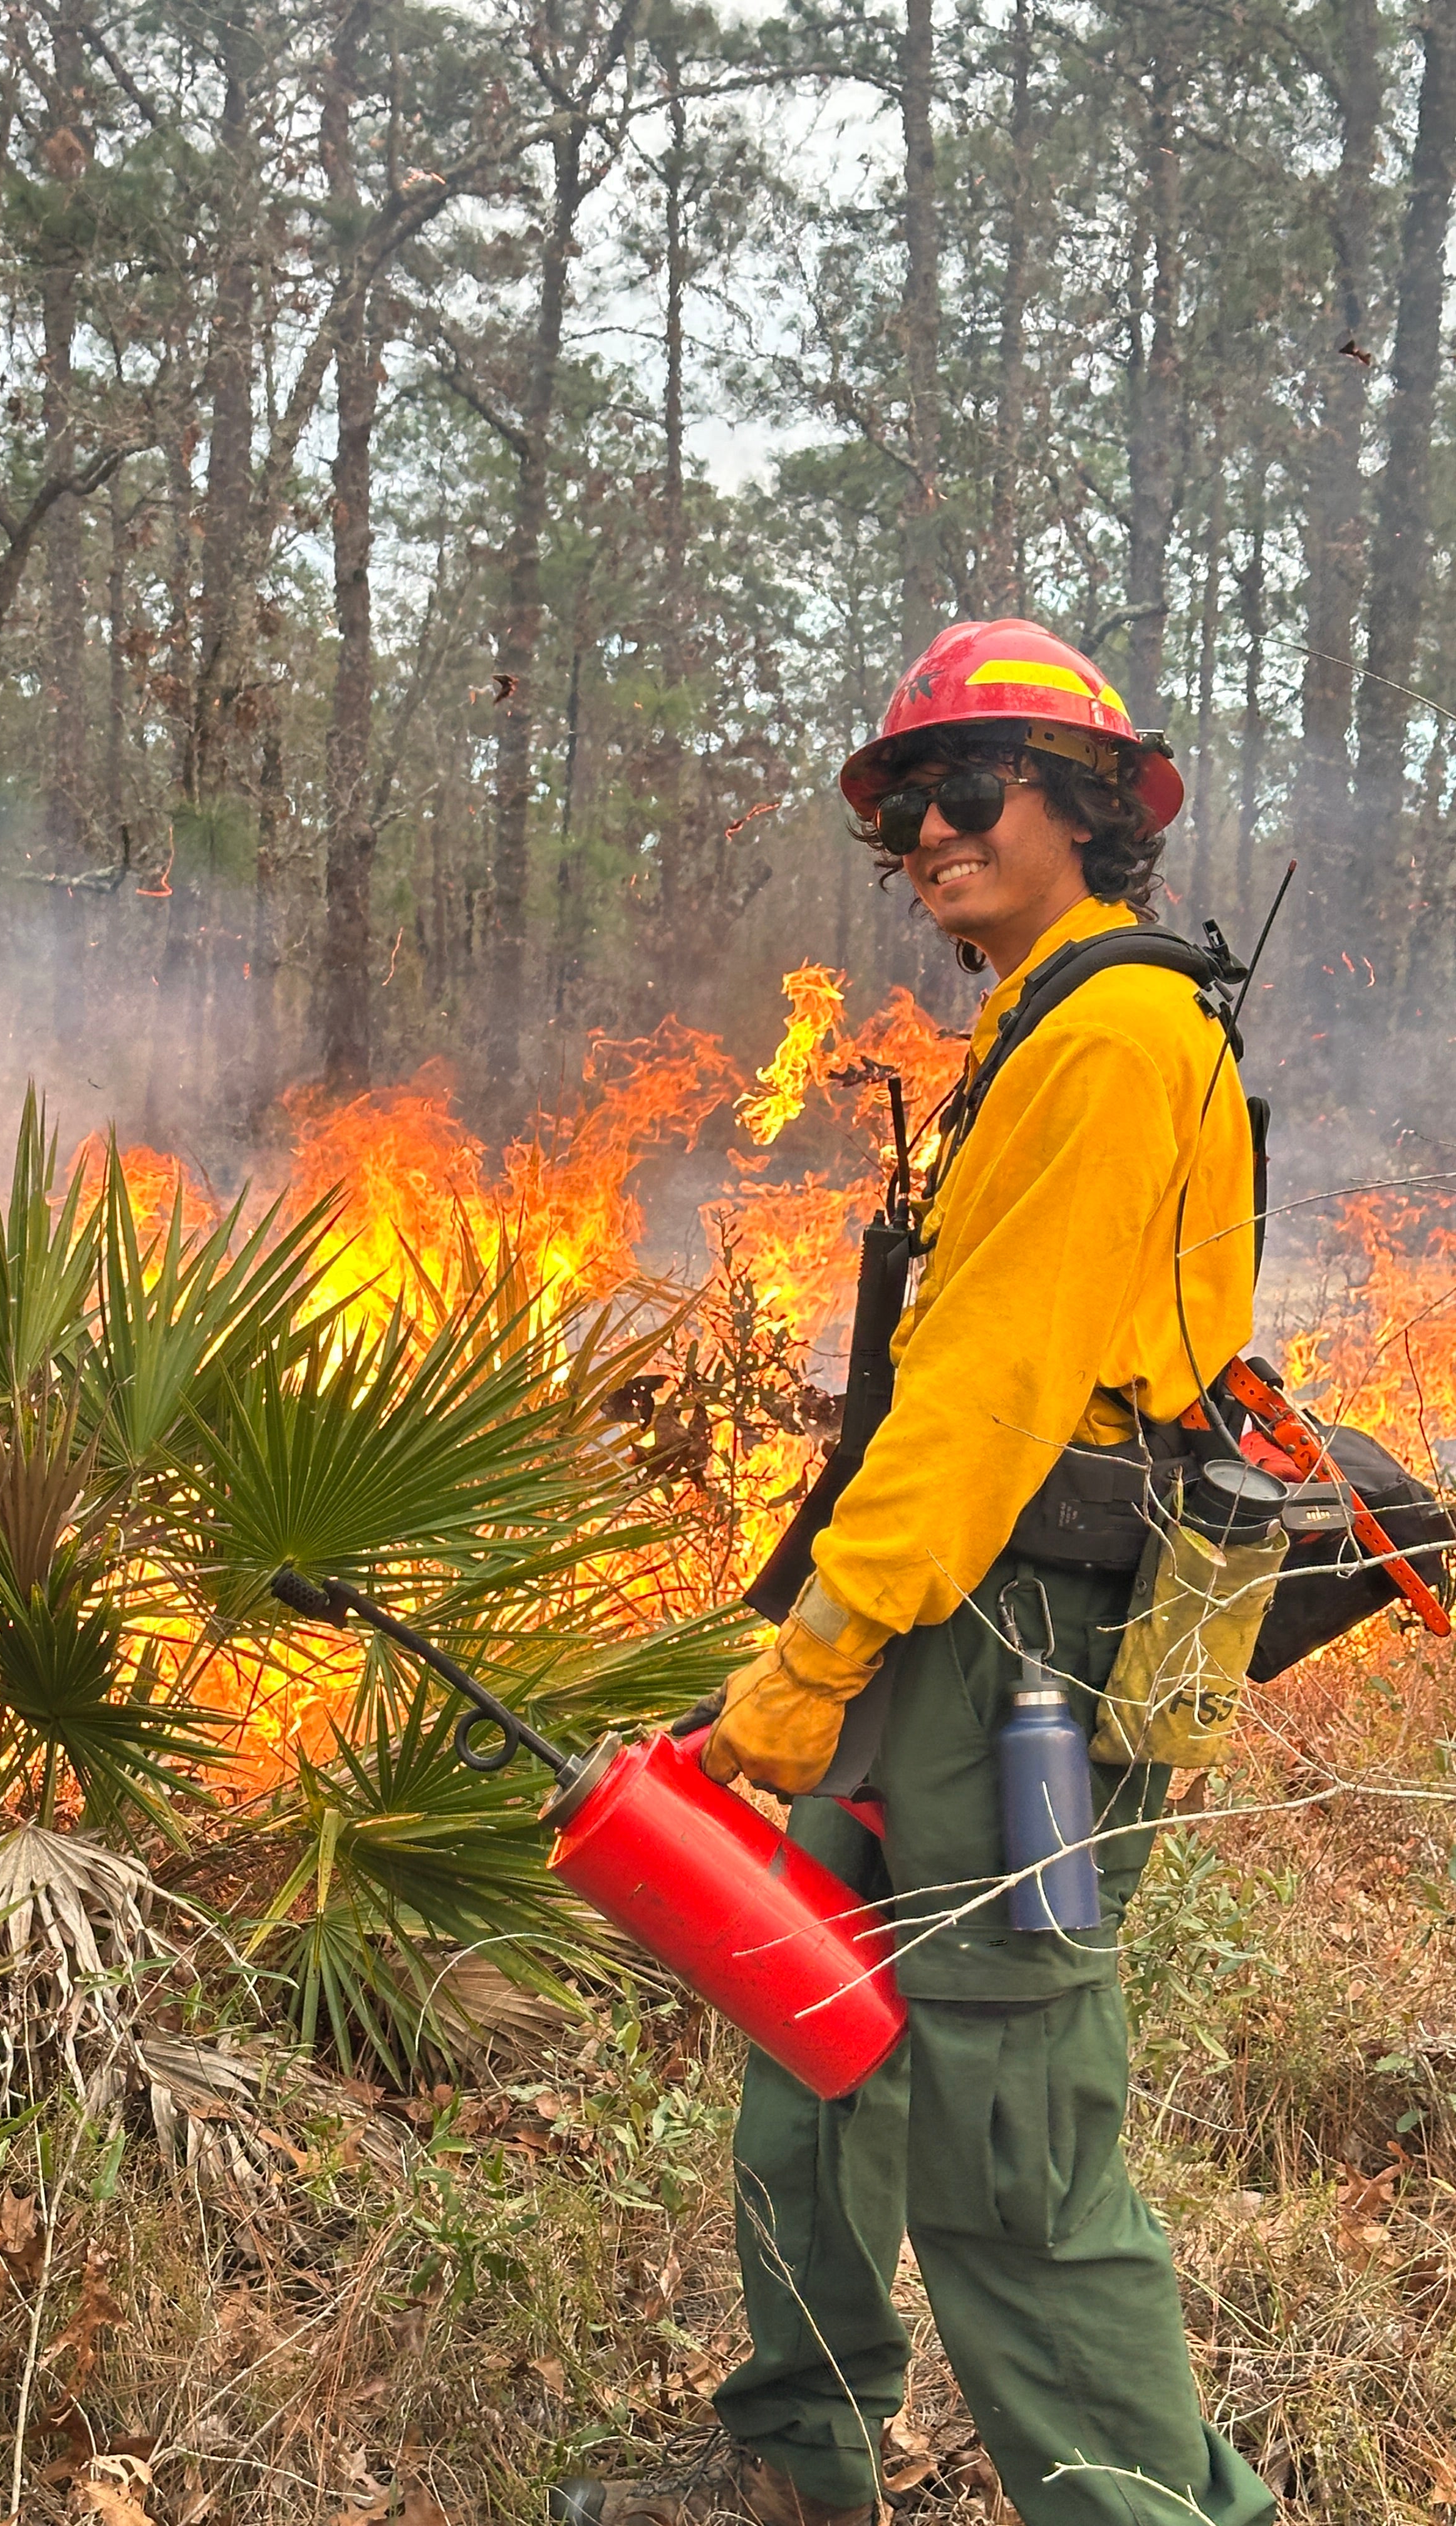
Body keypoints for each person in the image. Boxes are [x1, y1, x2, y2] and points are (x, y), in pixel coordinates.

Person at [552, 621, 1277, 2526]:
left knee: (1010, 2137)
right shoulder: (1035, 1024)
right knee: (807, 2034)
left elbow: (989, 1393)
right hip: (934, 1628)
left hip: (1016, 1648)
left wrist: (816, 1650)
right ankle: (799, 2460)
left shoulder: (1119, 1032)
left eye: (969, 789)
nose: (930, 835)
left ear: (1090, 804)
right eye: (905, 812)